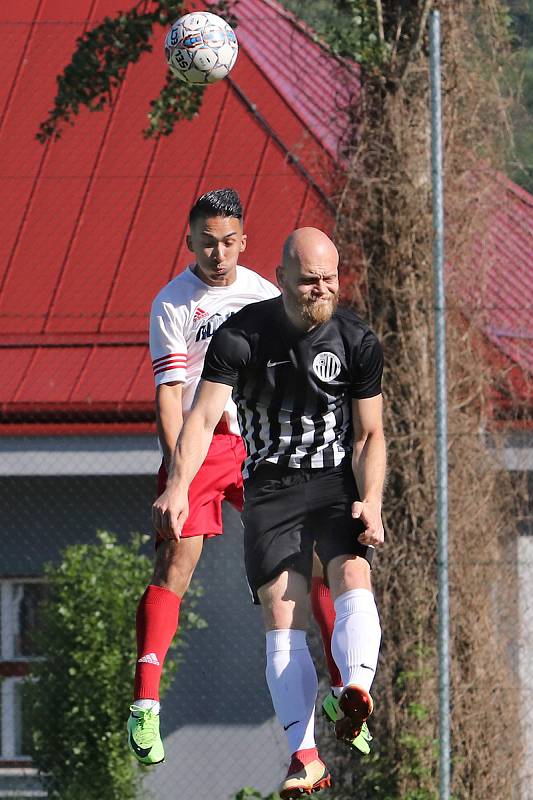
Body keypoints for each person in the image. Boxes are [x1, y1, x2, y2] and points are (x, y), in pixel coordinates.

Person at [126, 192, 357, 768]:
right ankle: (146, 704)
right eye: (207, 240)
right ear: (190, 242)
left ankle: (343, 693)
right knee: (175, 564)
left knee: (311, 563)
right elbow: (170, 400)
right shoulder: (172, 304)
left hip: (261, 444)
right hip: (201, 446)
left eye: (228, 240)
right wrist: (177, 477)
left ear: (245, 242)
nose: (218, 251)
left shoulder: (262, 293)